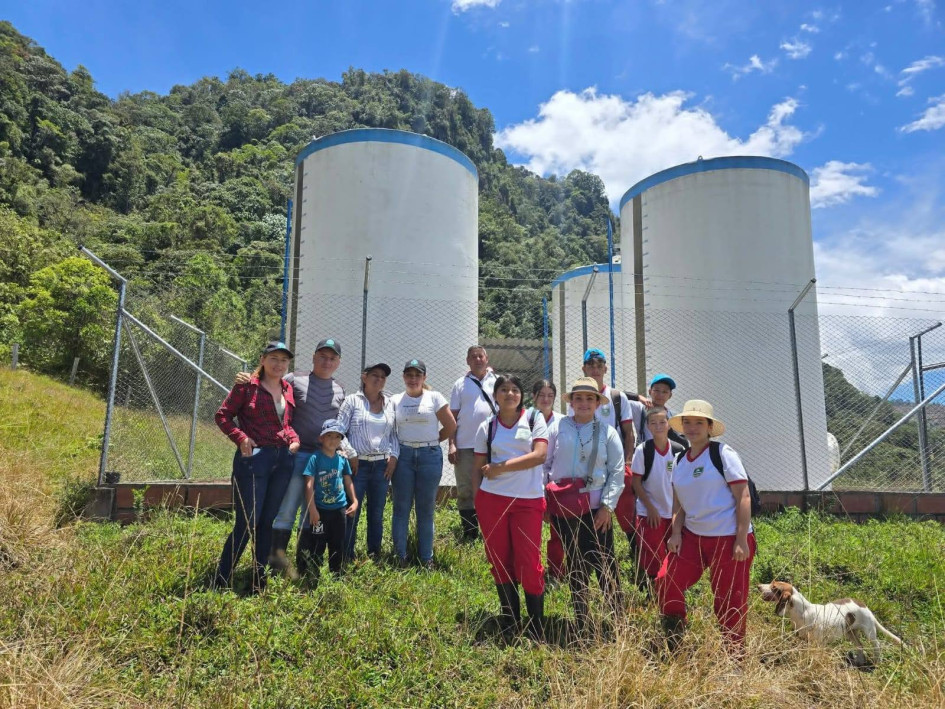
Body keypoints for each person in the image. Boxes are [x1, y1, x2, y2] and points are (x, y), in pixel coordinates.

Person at [237, 338, 357, 578]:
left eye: (332, 358)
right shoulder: (294, 379)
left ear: (338, 362)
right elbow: (268, 383)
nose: (327, 361)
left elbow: (339, 425)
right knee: (287, 508)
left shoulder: (340, 389)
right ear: (313, 357)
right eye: (322, 356)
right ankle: (275, 563)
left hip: (323, 457)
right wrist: (248, 378)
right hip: (296, 455)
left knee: (312, 512)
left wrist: (343, 449)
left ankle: (305, 563)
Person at [656, 400, 756, 656]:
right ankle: (674, 629)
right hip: (692, 536)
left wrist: (741, 539)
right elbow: (678, 502)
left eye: (699, 422)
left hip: (728, 537)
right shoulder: (679, 460)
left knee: (728, 598)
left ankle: (734, 656)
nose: (692, 428)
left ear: (710, 427)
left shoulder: (722, 454)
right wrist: (676, 533)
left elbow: (742, 496)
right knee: (667, 580)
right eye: (687, 422)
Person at [213, 341, 301, 591]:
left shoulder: (287, 389)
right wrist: (241, 438)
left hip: (282, 460)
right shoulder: (246, 386)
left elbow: (286, 423)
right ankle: (221, 579)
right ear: (262, 359)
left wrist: (294, 439)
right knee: (247, 522)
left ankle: (258, 579)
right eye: (274, 358)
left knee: (267, 522)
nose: (279, 364)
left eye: (284, 360)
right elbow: (222, 416)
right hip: (254, 461)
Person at [545, 377, 625, 635]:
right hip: (565, 508)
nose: (583, 403)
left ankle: (617, 621)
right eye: (578, 398)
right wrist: (545, 501)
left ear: (597, 403)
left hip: (596, 508)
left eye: (589, 398)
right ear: (571, 402)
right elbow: (544, 466)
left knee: (605, 563)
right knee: (576, 563)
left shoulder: (607, 432)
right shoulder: (558, 428)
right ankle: (582, 619)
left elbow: (617, 471)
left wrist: (607, 506)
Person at [474, 375, 549, 639]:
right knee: (499, 561)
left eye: (515, 390)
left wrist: (501, 468)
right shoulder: (487, 427)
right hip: (492, 500)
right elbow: (478, 467)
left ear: (521, 395)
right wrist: (477, 500)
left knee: (529, 562)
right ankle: (510, 622)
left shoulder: (534, 419)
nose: (509, 394)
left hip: (527, 501)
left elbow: (540, 455)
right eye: (503, 389)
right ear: (495, 395)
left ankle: (536, 626)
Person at [391, 359, 457, 568]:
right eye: (409, 375)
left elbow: (450, 425)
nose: (413, 379)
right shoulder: (395, 400)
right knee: (401, 507)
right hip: (403, 456)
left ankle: (426, 558)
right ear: (403, 377)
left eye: (417, 375)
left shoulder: (434, 398)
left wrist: (433, 441)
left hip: (429, 457)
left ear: (424, 378)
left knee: (426, 508)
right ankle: (400, 556)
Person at [575, 348, 640, 555]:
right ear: (584, 369)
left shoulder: (617, 397)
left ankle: (638, 553)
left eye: (599, 365)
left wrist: (628, 462)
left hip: (615, 465)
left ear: (605, 368)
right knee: (595, 512)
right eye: (590, 366)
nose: (595, 369)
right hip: (589, 468)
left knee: (626, 512)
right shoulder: (579, 397)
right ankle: (596, 555)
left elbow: (629, 433)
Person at [337, 362, 399, 561]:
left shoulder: (390, 403)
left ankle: (374, 553)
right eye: (375, 375)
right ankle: (346, 555)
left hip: (381, 466)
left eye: (383, 376)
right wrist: (352, 453)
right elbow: (339, 431)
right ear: (364, 377)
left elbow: (394, 436)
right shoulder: (352, 401)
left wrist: (394, 457)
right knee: (351, 510)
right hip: (357, 466)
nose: (379, 379)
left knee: (377, 511)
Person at [629, 406, 684, 592]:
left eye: (662, 421)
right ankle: (654, 591)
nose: (658, 426)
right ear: (648, 427)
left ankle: (671, 589)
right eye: (654, 423)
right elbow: (636, 483)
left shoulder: (679, 450)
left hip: (673, 513)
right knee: (652, 554)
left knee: (674, 553)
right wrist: (650, 508)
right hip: (649, 512)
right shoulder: (643, 450)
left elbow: (682, 484)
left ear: (669, 424)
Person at [297, 419, 359, 581]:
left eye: (337, 437)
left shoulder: (342, 459)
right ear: (321, 438)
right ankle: (313, 576)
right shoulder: (315, 459)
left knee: (337, 544)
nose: (333, 440)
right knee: (318, 544)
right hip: (320, 511)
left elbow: (347, 481)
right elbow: (308, 485)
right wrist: (312, 510)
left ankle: (335, 577)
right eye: (329, 436)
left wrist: (354, 501)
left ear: (341, 440)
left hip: (339, 510)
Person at [449, 345, 497, 541]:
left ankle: (491, 530)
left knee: (493, 487)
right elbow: (452, 417)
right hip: (465, 445)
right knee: (465, 489)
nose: (477, 359)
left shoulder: (498, 381)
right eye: (473, 357)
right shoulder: (460, 384)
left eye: (481, 356)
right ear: (468, 361)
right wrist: (452, 444)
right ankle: (470, 532)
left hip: (493, 445)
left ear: (487, 359)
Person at [528, 379, 565, 584]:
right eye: (541, 394)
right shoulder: (527, 419)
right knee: (532, 531)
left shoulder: (563, 421)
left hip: (557, 484)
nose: (546, 399)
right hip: (531, 482)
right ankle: (533, 569)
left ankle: (556, 571)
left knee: (557, 530)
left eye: (550, 395)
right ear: (533, 397)